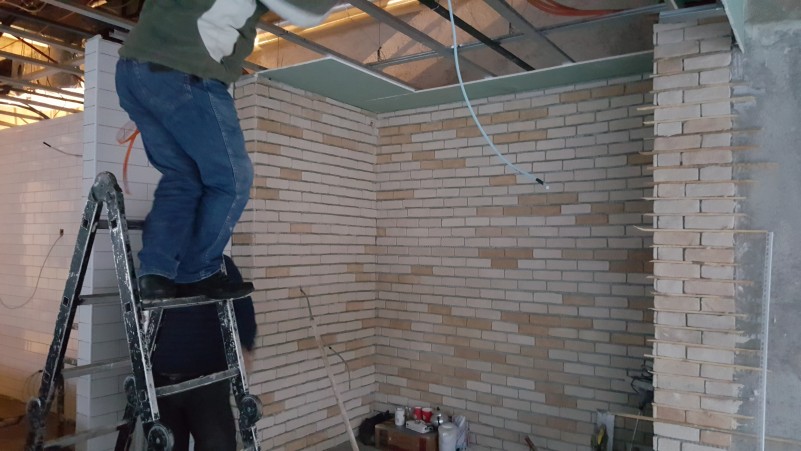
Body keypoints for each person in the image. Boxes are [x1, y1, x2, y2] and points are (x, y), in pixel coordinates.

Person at [115, 0, 337, 301]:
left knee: (182, 177)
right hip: (186, 68)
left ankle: (156, 273)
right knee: (232, 180)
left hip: (133, 71)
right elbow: (309, 12)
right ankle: (197, 272)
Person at [151, 255, 257, 451]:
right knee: (167, 446)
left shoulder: (218, 264)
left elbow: (242, 307)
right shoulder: (159, 266)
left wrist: (244, 346)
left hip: (208, 381)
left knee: (218, 444)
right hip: (161, 381)